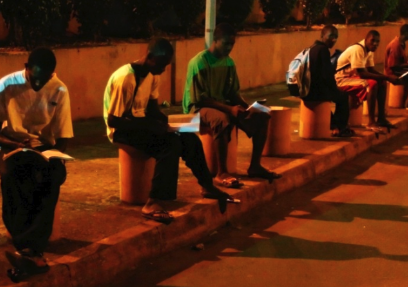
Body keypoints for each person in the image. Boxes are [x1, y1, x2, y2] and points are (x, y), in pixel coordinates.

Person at [104, 38, 234, 224]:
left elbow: (152, 110)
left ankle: (207, 186)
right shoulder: (126, 78)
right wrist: (152, 126)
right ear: (149, 57)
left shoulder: (152, 74)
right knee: (169, 145)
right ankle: (153, 201)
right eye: (161, 65)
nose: (163, 70)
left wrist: (174, 123)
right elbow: (114, 120)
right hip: (121, 129)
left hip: (141, 123)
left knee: (189, 139)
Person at [0, 48, 72, 279]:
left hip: (42, 147)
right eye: (36, 78)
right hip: (10, 144)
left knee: (52, 176)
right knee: (13, 175)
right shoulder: (6, 85)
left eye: (46, 78)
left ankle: (30, 249)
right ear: (26, 67)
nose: (40, 84)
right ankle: (29, 247)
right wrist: (15, 145)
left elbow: (63, 137)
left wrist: (55, 157)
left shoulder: (59, 88)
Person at [183, 23, 282, 186]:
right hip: (198, 109)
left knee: (262, 116)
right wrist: (230, 109)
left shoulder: (229, 62)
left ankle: (255, 166)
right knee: (222, 119)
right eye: (226, 43)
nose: (229, 47)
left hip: (222, 104)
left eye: (232, 44)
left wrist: (247, 107)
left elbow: (232, 92)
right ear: (215, 40)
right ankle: (221, 173)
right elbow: (200, 99)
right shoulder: (199, 62)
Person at [335, 30, 402, 128]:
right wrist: (388, 77)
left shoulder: (369, 50)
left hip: (353, 77)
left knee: (382, 82)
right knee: (372, 84)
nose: (375, 44)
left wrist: (386, 79)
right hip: (342, 79)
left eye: (377, 42)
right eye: (373, 41)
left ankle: (381, 118)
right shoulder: (358, 49)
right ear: (366, 40)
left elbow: (371, 69)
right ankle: (371, 122)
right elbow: (361, 73)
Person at [304, 25, 355, 137]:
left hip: (306, 90)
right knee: (342, 96)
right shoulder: (323, 50)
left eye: (336, 37)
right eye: (331, 36)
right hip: (315, 92)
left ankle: (334, 125)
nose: (334, 39)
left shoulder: (312, 48)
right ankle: (341, 127)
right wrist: (335, 89)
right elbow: (327, 76)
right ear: (322, 36)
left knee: (333, 97)